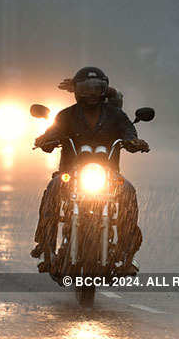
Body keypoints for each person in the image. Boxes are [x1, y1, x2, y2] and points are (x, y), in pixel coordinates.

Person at [31, 66, 149, 275]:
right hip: (70, 174)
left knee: (128, 191)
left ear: (105, 89)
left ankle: (127, 252)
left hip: (109, 175)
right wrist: (45, 140)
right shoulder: (66, 115)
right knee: (53, 189)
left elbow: (129, 132)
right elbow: (53, 131)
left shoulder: (116, 115)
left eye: (97, 88)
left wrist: (134, 142)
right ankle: (45, 248)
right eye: (86, 89)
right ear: (76, 91)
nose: (92, 94)